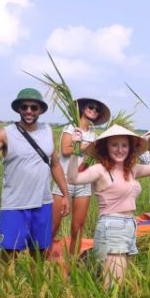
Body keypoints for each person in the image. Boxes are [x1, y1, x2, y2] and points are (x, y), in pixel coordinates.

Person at [67, 124, 150, 287]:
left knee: (118, 282)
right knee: (113, 286)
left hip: (129, 227)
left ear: (130, 148)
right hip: (112, 227)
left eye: (124, 145)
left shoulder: (132, 169)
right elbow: (73, 178)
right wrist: (76, 149)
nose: (120, 149)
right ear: (106, 148)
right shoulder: (100, 170)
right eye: (114, 145)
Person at [0, 88, 70, 260]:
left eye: (34, 107)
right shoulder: (6, 134)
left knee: (39, 253)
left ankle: (36, 286)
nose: (29, 111)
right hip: (15, 206)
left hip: (43, 203)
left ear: (40, 110)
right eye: (24, 107)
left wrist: (65, 195)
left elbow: (55, 165)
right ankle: (4, 287)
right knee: (9, 255)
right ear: (18, 108)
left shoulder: (47, 131)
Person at [51, 97, 110, 257]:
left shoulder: (94, 135)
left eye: (97, 110)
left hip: (84, 184)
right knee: (53, 226)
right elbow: (65, 150)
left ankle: (72, 263)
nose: (94, 111)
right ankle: (41, 260)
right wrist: (86, 146)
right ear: (83, 108)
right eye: (91, 107)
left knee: (78, 226)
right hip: (64, 181)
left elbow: (95, 158)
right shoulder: (71, 129)